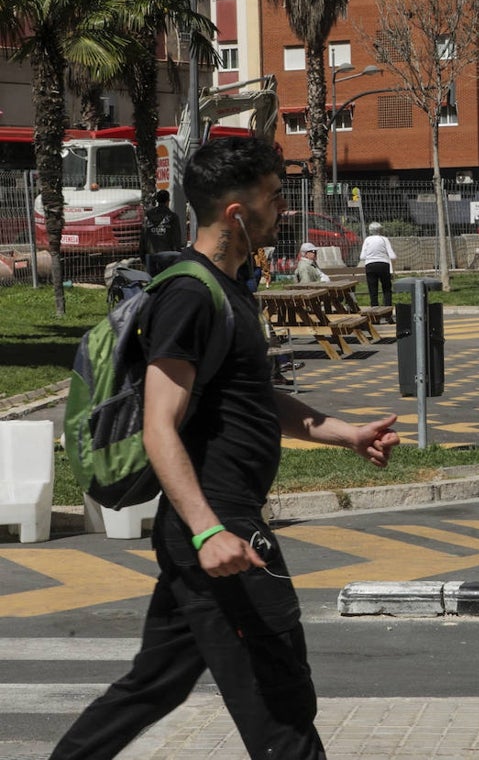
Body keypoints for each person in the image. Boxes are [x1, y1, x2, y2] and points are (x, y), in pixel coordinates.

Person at [50, 136, 400, 760]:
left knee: (151, 687)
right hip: (217, 527)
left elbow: (255, 398)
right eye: (273, 198)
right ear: (237, 213)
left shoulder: (232, 288)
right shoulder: (190, 294)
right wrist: (210, 532)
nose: (283, 210)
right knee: (281, 707)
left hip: (214, 528)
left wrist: (347, 434)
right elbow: (160, 423)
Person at [141, 189, 183, 274]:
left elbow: (143, 236)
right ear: (168, 201)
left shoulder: (148, 216)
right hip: (168, 256)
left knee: (153, 283)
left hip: (151, 256)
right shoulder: (172, 217)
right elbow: (176, 238)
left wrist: (142, 255)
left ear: (157, 201)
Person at [360, 221, 397, 307]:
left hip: (370, 265)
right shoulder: (384, 239)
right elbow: (392, 256)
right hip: (383, 265)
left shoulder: (367, 240)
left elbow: (362, 256)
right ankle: (388, 311)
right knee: (387, 289)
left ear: (370, 230)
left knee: (373, 290)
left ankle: (374, 312)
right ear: (380, 230)